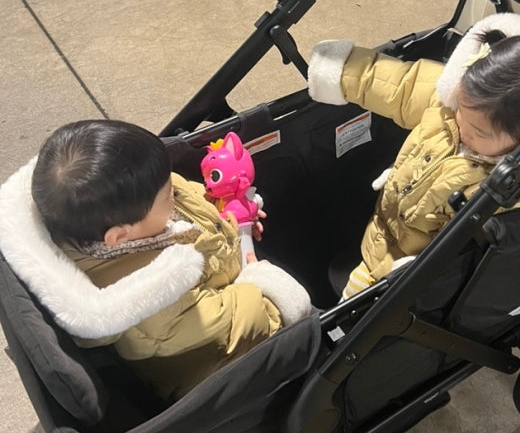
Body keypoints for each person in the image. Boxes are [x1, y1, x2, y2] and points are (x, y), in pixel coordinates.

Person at [0, 119, 311, 401]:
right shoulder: (153, 303)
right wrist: (268, 285)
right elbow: (240, 324)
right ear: (119, 236)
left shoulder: (129, 209)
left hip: (221, 277)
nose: (174, 190)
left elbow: (188, 200)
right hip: (220, 358)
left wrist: (229, 219)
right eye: (167, 195)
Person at [308, 12, 520, 299]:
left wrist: (421, 273)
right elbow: (402, 85)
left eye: (478, 132)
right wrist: (342, 70)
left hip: (411, 268)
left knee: (353, 308)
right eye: (461, 111)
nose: (462, 127)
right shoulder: (456, 103)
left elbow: (475, 253)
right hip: (385, 226)